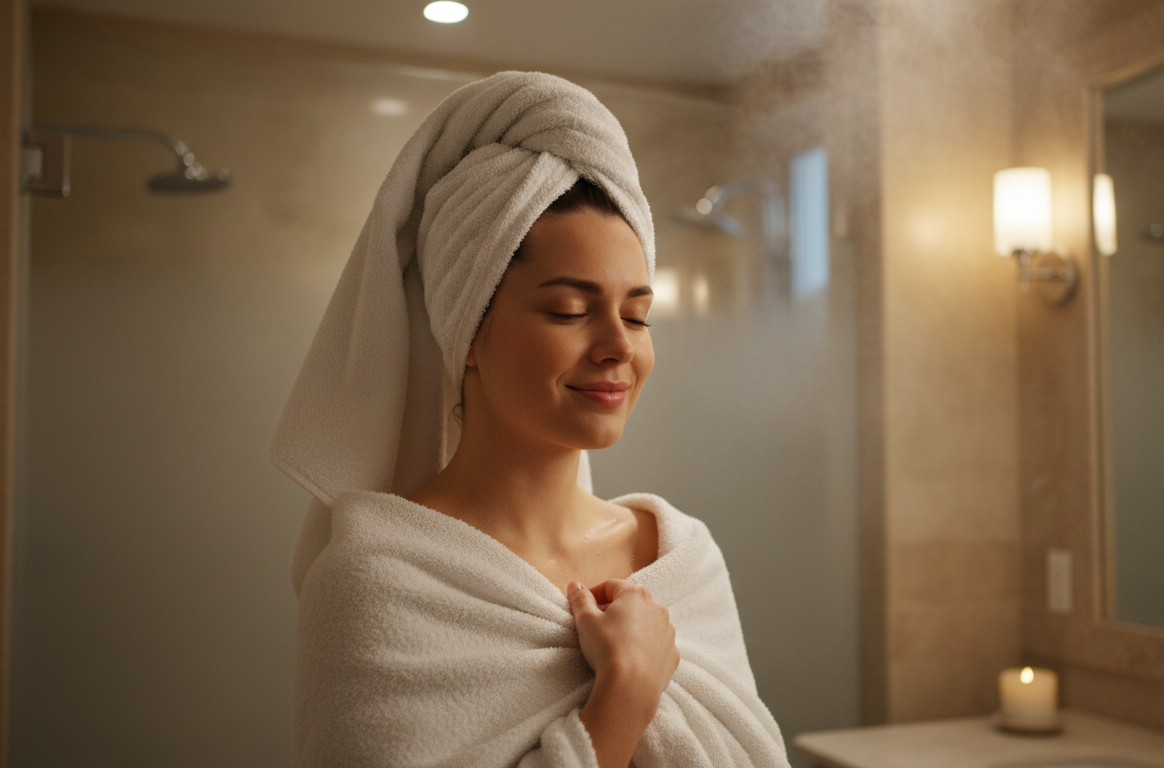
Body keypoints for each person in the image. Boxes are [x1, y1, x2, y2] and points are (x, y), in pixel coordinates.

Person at [271, 72, 789, 768]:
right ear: (470, 334)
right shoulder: (377, 580)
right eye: (569, 311)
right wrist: (621, 701)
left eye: (637, 315)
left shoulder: (680, 559)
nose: (618, 347)